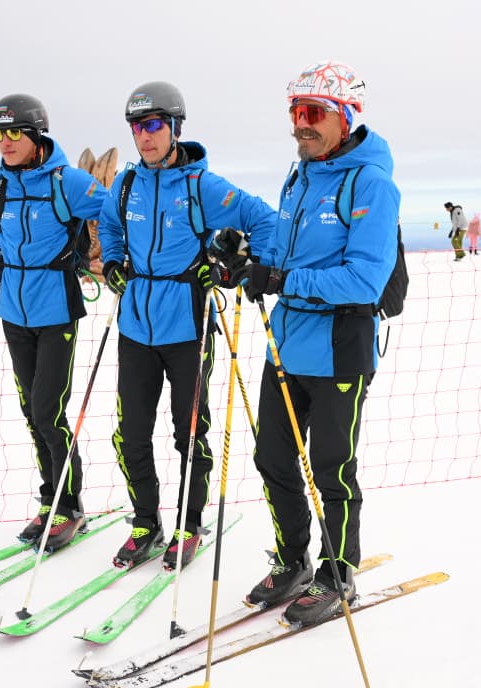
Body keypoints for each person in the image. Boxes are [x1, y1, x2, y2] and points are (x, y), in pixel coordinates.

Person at [210, 60, 400, 625]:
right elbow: (284, 255)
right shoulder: (299, 176)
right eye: (295, 111)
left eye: (314, 112)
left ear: (344, 116)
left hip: (341, 346)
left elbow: (364, 279)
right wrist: (246, 261)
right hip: (287, 344)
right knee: (272, 456)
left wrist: (283, 280)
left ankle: (338, 573)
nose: (301, 124)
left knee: (331, 466)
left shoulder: (371, 183)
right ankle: (293, 559)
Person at [97, 81, 276, 571]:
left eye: (154, 124)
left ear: (174, 127)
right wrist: (112, 261)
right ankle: (145, 522)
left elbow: (263, 219)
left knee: (189, 434)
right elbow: (109, 225)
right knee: (130, 434)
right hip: (136, 325)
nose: (145, 135)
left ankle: (188, 524)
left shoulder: (202, 186)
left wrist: (243, 266)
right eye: (137, 126)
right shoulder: (126, 185)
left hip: (188, 327)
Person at [0, 93, 109, 551]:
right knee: (32, 413)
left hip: (56, 309)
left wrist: (100, 255)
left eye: (14, 132)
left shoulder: (68, 182)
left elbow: (111, 214)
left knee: (49, 412)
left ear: (36, 135)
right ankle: (50, 499)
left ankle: (69, 507)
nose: (5, 142)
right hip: (13, 310)